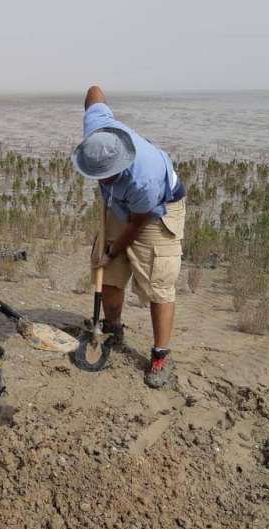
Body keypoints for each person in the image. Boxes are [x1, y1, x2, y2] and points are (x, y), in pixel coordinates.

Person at [71, 85, 186, 388]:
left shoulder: (143, 179)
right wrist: (107, 256)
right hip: (120, 207)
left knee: (158, 282)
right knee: (106, 271)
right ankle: (112, 328)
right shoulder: (97, 128)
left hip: (155, 211)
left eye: (104, 176)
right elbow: (94, 93)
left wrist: (115, 248)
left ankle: (161, 354)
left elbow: (136, 224)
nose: (99, 180)